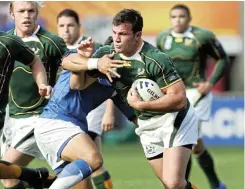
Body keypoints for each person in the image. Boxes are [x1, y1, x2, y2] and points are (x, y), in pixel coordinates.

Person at [62, 8, 199, 189]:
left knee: (174, 183)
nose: (117, 39)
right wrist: (86, 60)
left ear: (137, 35)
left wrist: (141, 104)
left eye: (123, 34)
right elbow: (77, 84)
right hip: (147, 125)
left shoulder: (155, 59)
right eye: (114, 33)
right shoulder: (107, 54)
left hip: (174, 119)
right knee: (170, 184)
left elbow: (179, 99)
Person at [33, 38, 135, 189]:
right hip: (55, 123)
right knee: (94, 159)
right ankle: (32, 177)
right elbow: (75, 83)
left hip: (67, 128)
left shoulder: (116, 84)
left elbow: (135, 116)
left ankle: (37, 179)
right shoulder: (84, 57)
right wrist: (89, 59)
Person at [156, 4, 228, 189]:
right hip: (175, 92)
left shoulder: (202, 36)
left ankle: (180, 184)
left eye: (181, 16)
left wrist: (210, 83)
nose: (177, 20)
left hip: (197, 92)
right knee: (195, 145)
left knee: (183, 137)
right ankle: (216, 184)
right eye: (174, 16)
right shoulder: (163, 38)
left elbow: (223, 58)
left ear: (189, 19)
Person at [0, 1, 67, 189]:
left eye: (31, 11)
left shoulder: (50, 41)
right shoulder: (6, 41)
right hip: (10, 118)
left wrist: (46, 86)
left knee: (7, 169)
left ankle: (38, 177)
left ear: (37, 13)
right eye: (21, 11)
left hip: (38, 117)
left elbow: (72, 67)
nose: (27, 15)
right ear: (12, 14)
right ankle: (40, 179)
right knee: (9, 178)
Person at [0, 29, 52, 188]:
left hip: (25, 116)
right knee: (6, 175)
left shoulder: (7, 42)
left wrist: (42, 84)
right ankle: (33, 176)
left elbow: (34, 60)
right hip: (11, 119)